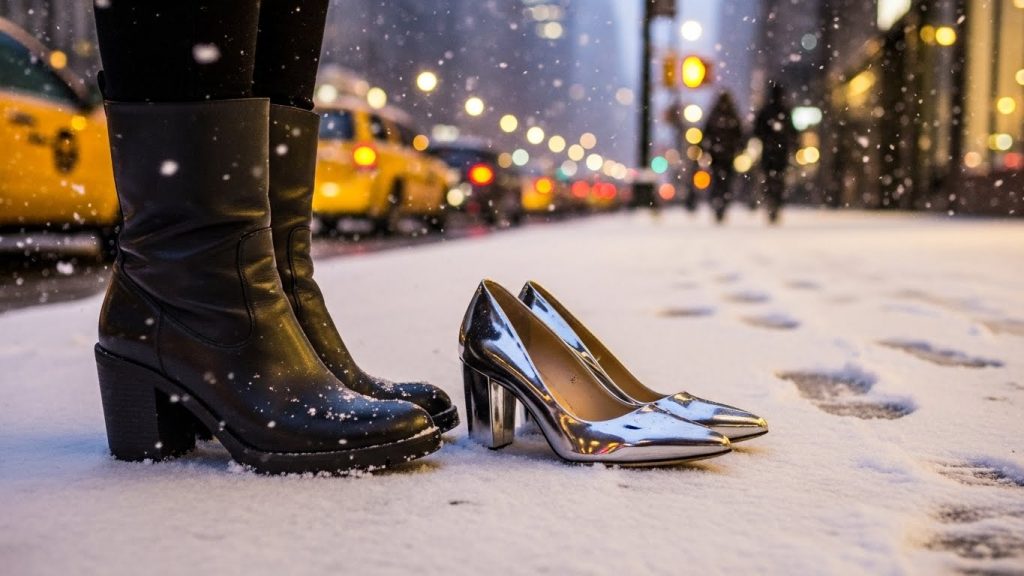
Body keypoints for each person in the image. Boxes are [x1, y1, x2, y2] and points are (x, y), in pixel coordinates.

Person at [91, 0, 456, 474]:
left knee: (284, 17)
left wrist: (283, 281)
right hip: (195, 308)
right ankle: (195, 303)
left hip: (191, 313)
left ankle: (215, 309)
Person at [753, 84, 797, 224]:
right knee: (779, 178)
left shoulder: (765, 111)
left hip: (768, 152)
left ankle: (771, 200)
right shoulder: (785, 110)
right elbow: (793, 132)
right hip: (781, 153)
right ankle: (776, 201)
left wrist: (765, 139)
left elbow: (756, 131)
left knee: (769, 178)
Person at [701, 91, 745, 223]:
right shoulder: (732, 114)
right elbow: (740, 134)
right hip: (728, 154)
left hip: (716, 154)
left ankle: (718, 201)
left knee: (717, 179)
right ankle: (722, 202)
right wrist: (739, 148)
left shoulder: (715, 114)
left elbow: (705, 133)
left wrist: (704, 149)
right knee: (726, 180)